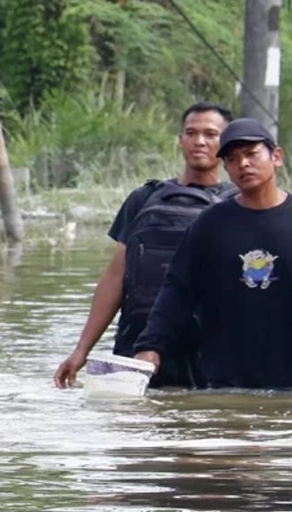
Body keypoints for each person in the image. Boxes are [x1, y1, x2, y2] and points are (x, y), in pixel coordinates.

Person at [134, 118, 292, 392]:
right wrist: (150, 346)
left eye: (251, 154)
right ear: (226, 168)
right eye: (233, 159)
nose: (244, 164)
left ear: (277, 157)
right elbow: (177, 291)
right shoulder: (210, 224)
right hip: (224, 383)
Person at [54, 102, 236, 390]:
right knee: (133, 429)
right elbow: (115, 278)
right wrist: (81, 351)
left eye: (211, 134)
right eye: (191, 132)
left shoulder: (239, 203)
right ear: (180, 140)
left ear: (227, 143)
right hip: (138, 343)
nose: (199, 141)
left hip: (211, 348)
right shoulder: (144, 199)